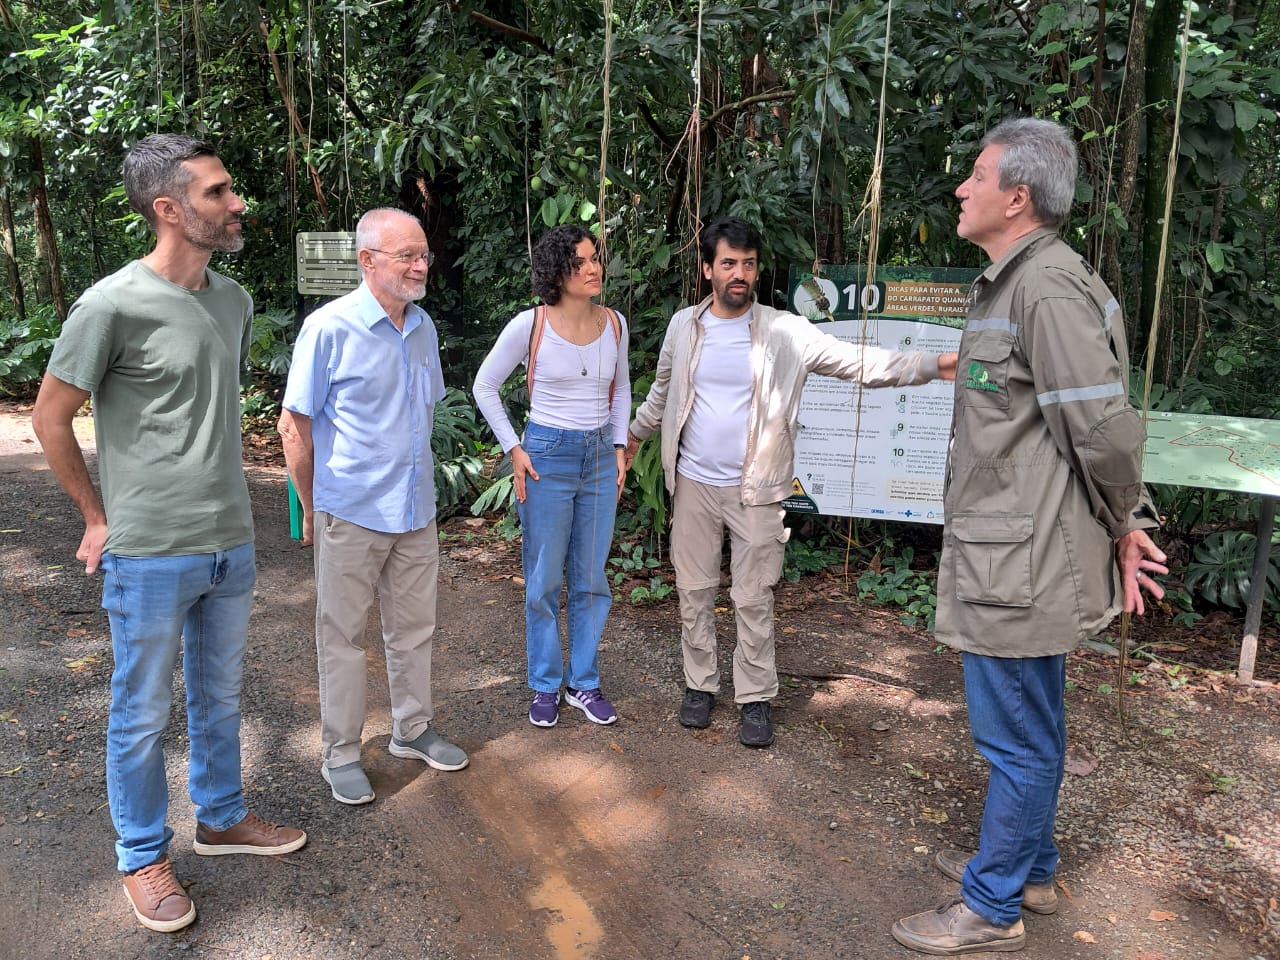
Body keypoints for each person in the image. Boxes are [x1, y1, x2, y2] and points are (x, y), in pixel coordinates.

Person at [890, 118, 1167, 955]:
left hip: (1022, 559)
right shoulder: (1014, 283)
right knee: (1032, 723)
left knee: (1014, 736)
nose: (961, 190)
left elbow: (1104, 431)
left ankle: (991, 904)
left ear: (1017, 197)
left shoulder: (1043, 290)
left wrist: (1130, 521)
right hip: (1015, 549)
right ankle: (1031, 867)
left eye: (975, 177)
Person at [31, 134, 306, 934]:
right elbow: (51, 418)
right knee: (142, 711)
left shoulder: (234, 300)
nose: (236, 203)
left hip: (231, 540)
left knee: (219, 695)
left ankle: (220, 818)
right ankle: (142, 855)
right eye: (218, 192)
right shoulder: (110, 304)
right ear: (170, 209)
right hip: (149, 549)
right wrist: (94, 516)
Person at [625, 217, 957, 748]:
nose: (740, 274)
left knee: (753, 595)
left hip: (757, 488)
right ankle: (700, 685)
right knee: (693, 590)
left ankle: (754, 697)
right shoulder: (683, 327)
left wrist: (936, 364)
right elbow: (663, 394)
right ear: (707, 268)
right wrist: (633, 439)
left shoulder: (785, 331)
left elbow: (861, 363)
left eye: (749, 264)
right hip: (692, 483)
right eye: (729, 263)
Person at [279, 207, 468, 808]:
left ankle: (411, 731)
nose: (420, 266)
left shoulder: (423, 326)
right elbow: (294, 426)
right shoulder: (329, 328)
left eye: (423, 255)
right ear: (367, 260)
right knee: (341, 637)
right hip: (351, 510)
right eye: (406, 256)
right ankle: (340, 753)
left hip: (414, 510)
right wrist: (311, 507)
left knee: (414, 630)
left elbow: (424, 413)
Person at [473, 225, 631, 728]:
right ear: (557, 272)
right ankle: (545, 684)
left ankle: (584, 682)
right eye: (581, 261)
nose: (593, 268)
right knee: (543, 580)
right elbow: (485, 386)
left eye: (595, 258)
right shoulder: (531, 324)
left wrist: (621, 444)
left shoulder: (616, 324)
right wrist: (513, 449)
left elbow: (622, 389)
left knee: (590, 578)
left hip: (600, 457)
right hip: (547, 455)